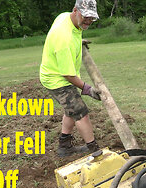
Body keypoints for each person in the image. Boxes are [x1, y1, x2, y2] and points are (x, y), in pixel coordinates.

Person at [39, 0, 101, 157]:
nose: (88, 21)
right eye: (86, 16)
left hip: (61, 75)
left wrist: (78, 42)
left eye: (92, 18)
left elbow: (71, 36)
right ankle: (95, 151)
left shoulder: (66, 17)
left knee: (71, 109)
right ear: (75, 10)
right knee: (80, 112)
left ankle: (64, 146)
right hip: (57, 79)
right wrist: (87, 88)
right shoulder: (64, 38)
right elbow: (68, 75)